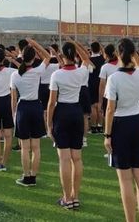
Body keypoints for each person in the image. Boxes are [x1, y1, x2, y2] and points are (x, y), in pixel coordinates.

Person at [103, 38, 139, 222]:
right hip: (138, 123)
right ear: (133, 54)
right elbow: (138, 64)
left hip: (121, 125)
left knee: (125, 180)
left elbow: (109, 109)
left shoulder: (114, 78)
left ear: (117, 53)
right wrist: (134, 55)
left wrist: (107, 135)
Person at [47, 40, 90, 210]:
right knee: (77, 158)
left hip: (62, 113)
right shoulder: (80, 72)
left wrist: (49, 124)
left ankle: (67, 198)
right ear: (75, 55)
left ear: (63, 56)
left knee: (64, 159)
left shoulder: (57, 75)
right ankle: (75, 196)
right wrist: (75, 43)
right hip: (76, 113)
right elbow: (86, 59)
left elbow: (51, 103)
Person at [11, 39, 49, 187]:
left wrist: (14, 114)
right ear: (33, 58)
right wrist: (35, 43)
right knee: (36, 147)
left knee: (25, 148)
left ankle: (26, 175)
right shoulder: (37, 71)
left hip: (23, 109)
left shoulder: (15, 75)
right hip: (35, 108)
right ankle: (32, 176)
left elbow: (13, 98)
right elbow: (47, 56)